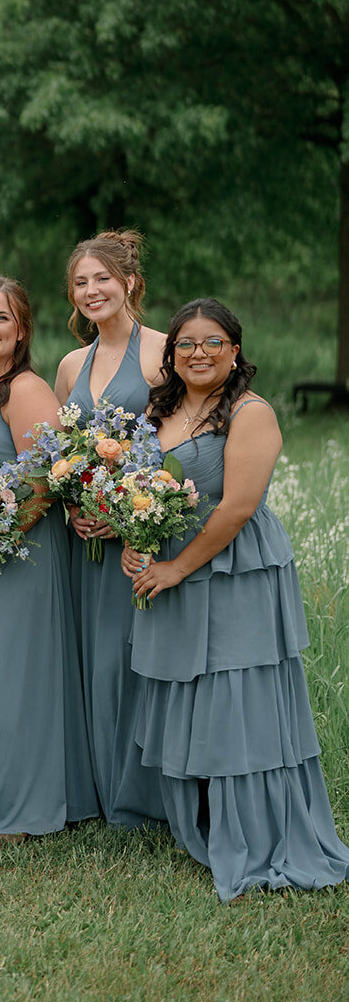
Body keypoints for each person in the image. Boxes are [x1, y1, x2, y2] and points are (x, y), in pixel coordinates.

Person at [123, 299, 349, 902]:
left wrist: (175, 569)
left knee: (236, 694)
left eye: (213, 342)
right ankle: (197, 819)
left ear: (235, 351)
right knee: (188, 687)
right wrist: (138, 545)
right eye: (187, 343)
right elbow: (145, 488)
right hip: (170, 560)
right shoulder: (160, 406)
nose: (199, 353)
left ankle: (255, 830)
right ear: (170, 354)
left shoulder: (252, 413)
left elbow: (237, 508)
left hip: (234, 568)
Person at [0, 277, 97, 852]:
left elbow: (45, 484)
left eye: (2, 318)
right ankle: (15, 805)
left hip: (23, 552)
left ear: (22, 329)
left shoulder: (26, 390)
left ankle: (13, 818)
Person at [54, 229, 166, 828]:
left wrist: (130, 514)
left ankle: (145, 797)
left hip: (140, 537)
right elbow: (60, 454)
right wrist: (76, 504)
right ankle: (99, 788)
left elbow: (182, 442)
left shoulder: (163, 351)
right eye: (80, 282)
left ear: (129, 283)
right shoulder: (72, 364)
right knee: (93, 659)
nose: (92, 291)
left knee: (135, 658)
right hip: (88, 541)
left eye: (102, 279)